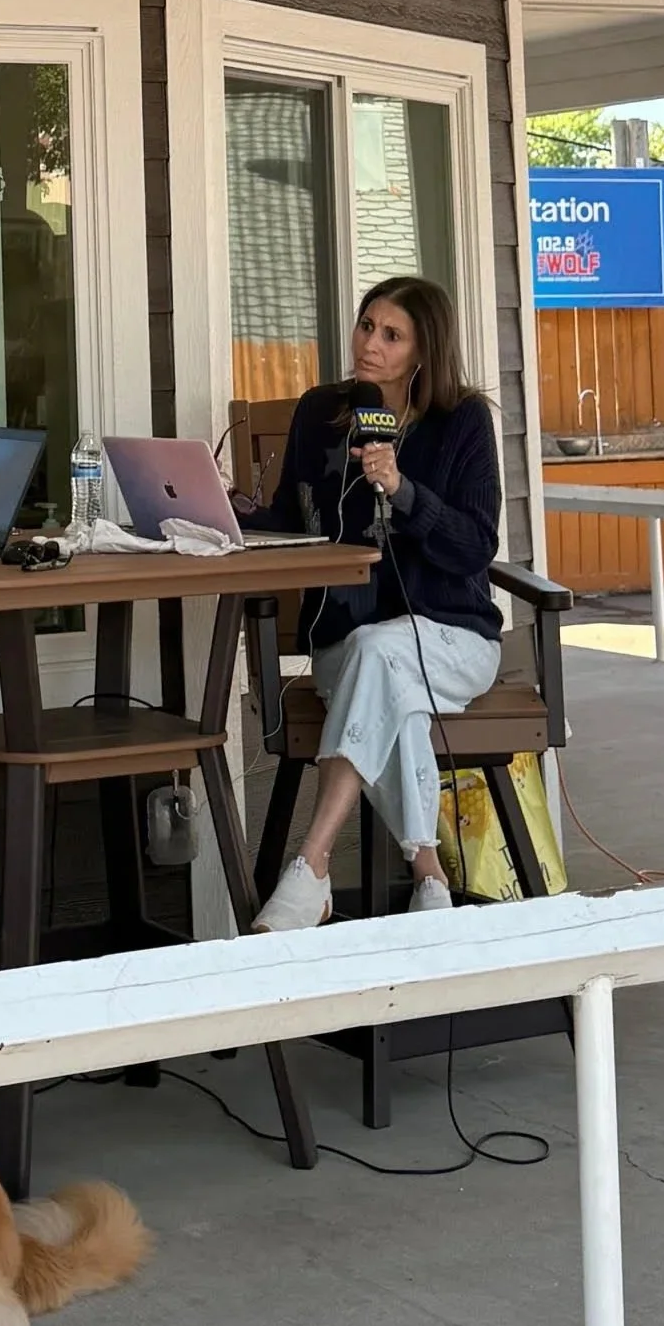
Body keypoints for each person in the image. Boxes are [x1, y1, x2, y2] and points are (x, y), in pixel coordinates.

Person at [249, 275, 505, 931]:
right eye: (367, 325)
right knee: (394, 692)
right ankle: (430, 879)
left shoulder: (463, 421)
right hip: (346, 639)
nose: (370, 343)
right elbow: (290, 517)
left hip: (453, 641)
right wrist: (225, 512)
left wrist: (403, 489)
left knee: (382, 656)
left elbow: (475, 545)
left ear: (424, 352)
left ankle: (312, 862)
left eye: (391, 335)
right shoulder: (320, 412)